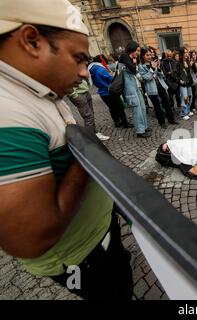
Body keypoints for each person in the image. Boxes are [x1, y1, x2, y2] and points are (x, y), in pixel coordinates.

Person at [0, 0, 133, 300]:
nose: (84, 72)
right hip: (80, 256)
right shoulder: (5, 112)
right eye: (78, 58)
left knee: (119, 265)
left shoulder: (38, 85)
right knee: (113, 292)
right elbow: (32, 237)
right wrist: (87, 155)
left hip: (99, 230)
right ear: (32, 41)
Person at [88, 55, 133, 128]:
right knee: (119, 107)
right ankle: (125, 123)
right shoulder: (100, 69)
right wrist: (113, 74)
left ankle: (117, 122)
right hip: (110, 91)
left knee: (112, 108)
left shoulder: (92, 69)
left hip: (102, 92)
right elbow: (110, 79)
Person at [139, 47, 178, 128]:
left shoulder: (154, 62)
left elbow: (161, 76)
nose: (150, 57)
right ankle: (162, 122)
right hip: (152, 88)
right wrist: (153, 68)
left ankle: (171, 120)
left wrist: (159, 69)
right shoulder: (141, 67)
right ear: (143, 56)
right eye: (147, 55)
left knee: (167, 103)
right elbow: (147, 78)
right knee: (157, 107)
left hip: (160, 85)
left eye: (150, 55)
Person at [118, 41, 150, 138]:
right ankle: (140, 131)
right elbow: (132, 69)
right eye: (137, 50)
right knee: (136, 109)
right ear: (132, 49)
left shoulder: (132, 58)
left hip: (135, 86)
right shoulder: (124, 56)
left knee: (143, 108)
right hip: (129, 89)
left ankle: (144, 127)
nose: (138, 53)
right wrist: (134, 61)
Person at [175, 52, 194, 120]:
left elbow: (189, 73)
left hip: (188, 83)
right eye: (185, 52)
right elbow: (175, 73)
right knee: (184, 98)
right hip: (182, 83)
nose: (186, 54)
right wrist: (179, 80)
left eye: (187, 52)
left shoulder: (187, 62)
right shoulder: (178, 63)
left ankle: (188, 111)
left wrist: (190, 65)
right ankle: (183, 114)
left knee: (190, 96)